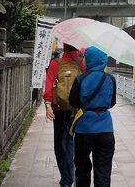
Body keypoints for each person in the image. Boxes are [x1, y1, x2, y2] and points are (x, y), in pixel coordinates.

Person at [69, 47, 117, 187]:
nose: (83, 60)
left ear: (91, 59)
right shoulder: (110, 79)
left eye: (85, 57)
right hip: (106, 129)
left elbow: (73, 102)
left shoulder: (80, 78)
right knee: (103, 171)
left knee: (82, 168)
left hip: (84, 129)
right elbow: (112, 102)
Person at [44, 43, 86, 187]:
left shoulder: (56, 63)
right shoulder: (81, 64)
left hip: (59, 109)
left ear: (64, 46)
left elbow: (49, 84)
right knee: (71, 142)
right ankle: (69, 176)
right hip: (77, 110)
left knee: (59, 143)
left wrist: (48, 105)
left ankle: (66, 178)